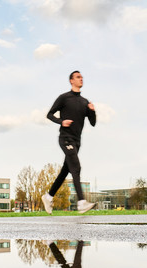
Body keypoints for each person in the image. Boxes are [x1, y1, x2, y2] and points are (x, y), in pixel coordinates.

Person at [42, 71, 97, 214]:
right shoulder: (64, 98)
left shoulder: (85, 102)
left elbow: (93, 123)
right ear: (71, 81)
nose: (81, 79)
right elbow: (49, 114)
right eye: (78, 77)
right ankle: (81, 202)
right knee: (76, 167)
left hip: (77, 141)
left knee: (65, 171)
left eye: (82, 77)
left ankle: (48, 197)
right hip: (65, 138)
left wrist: (92, 111)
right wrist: (61, 122)